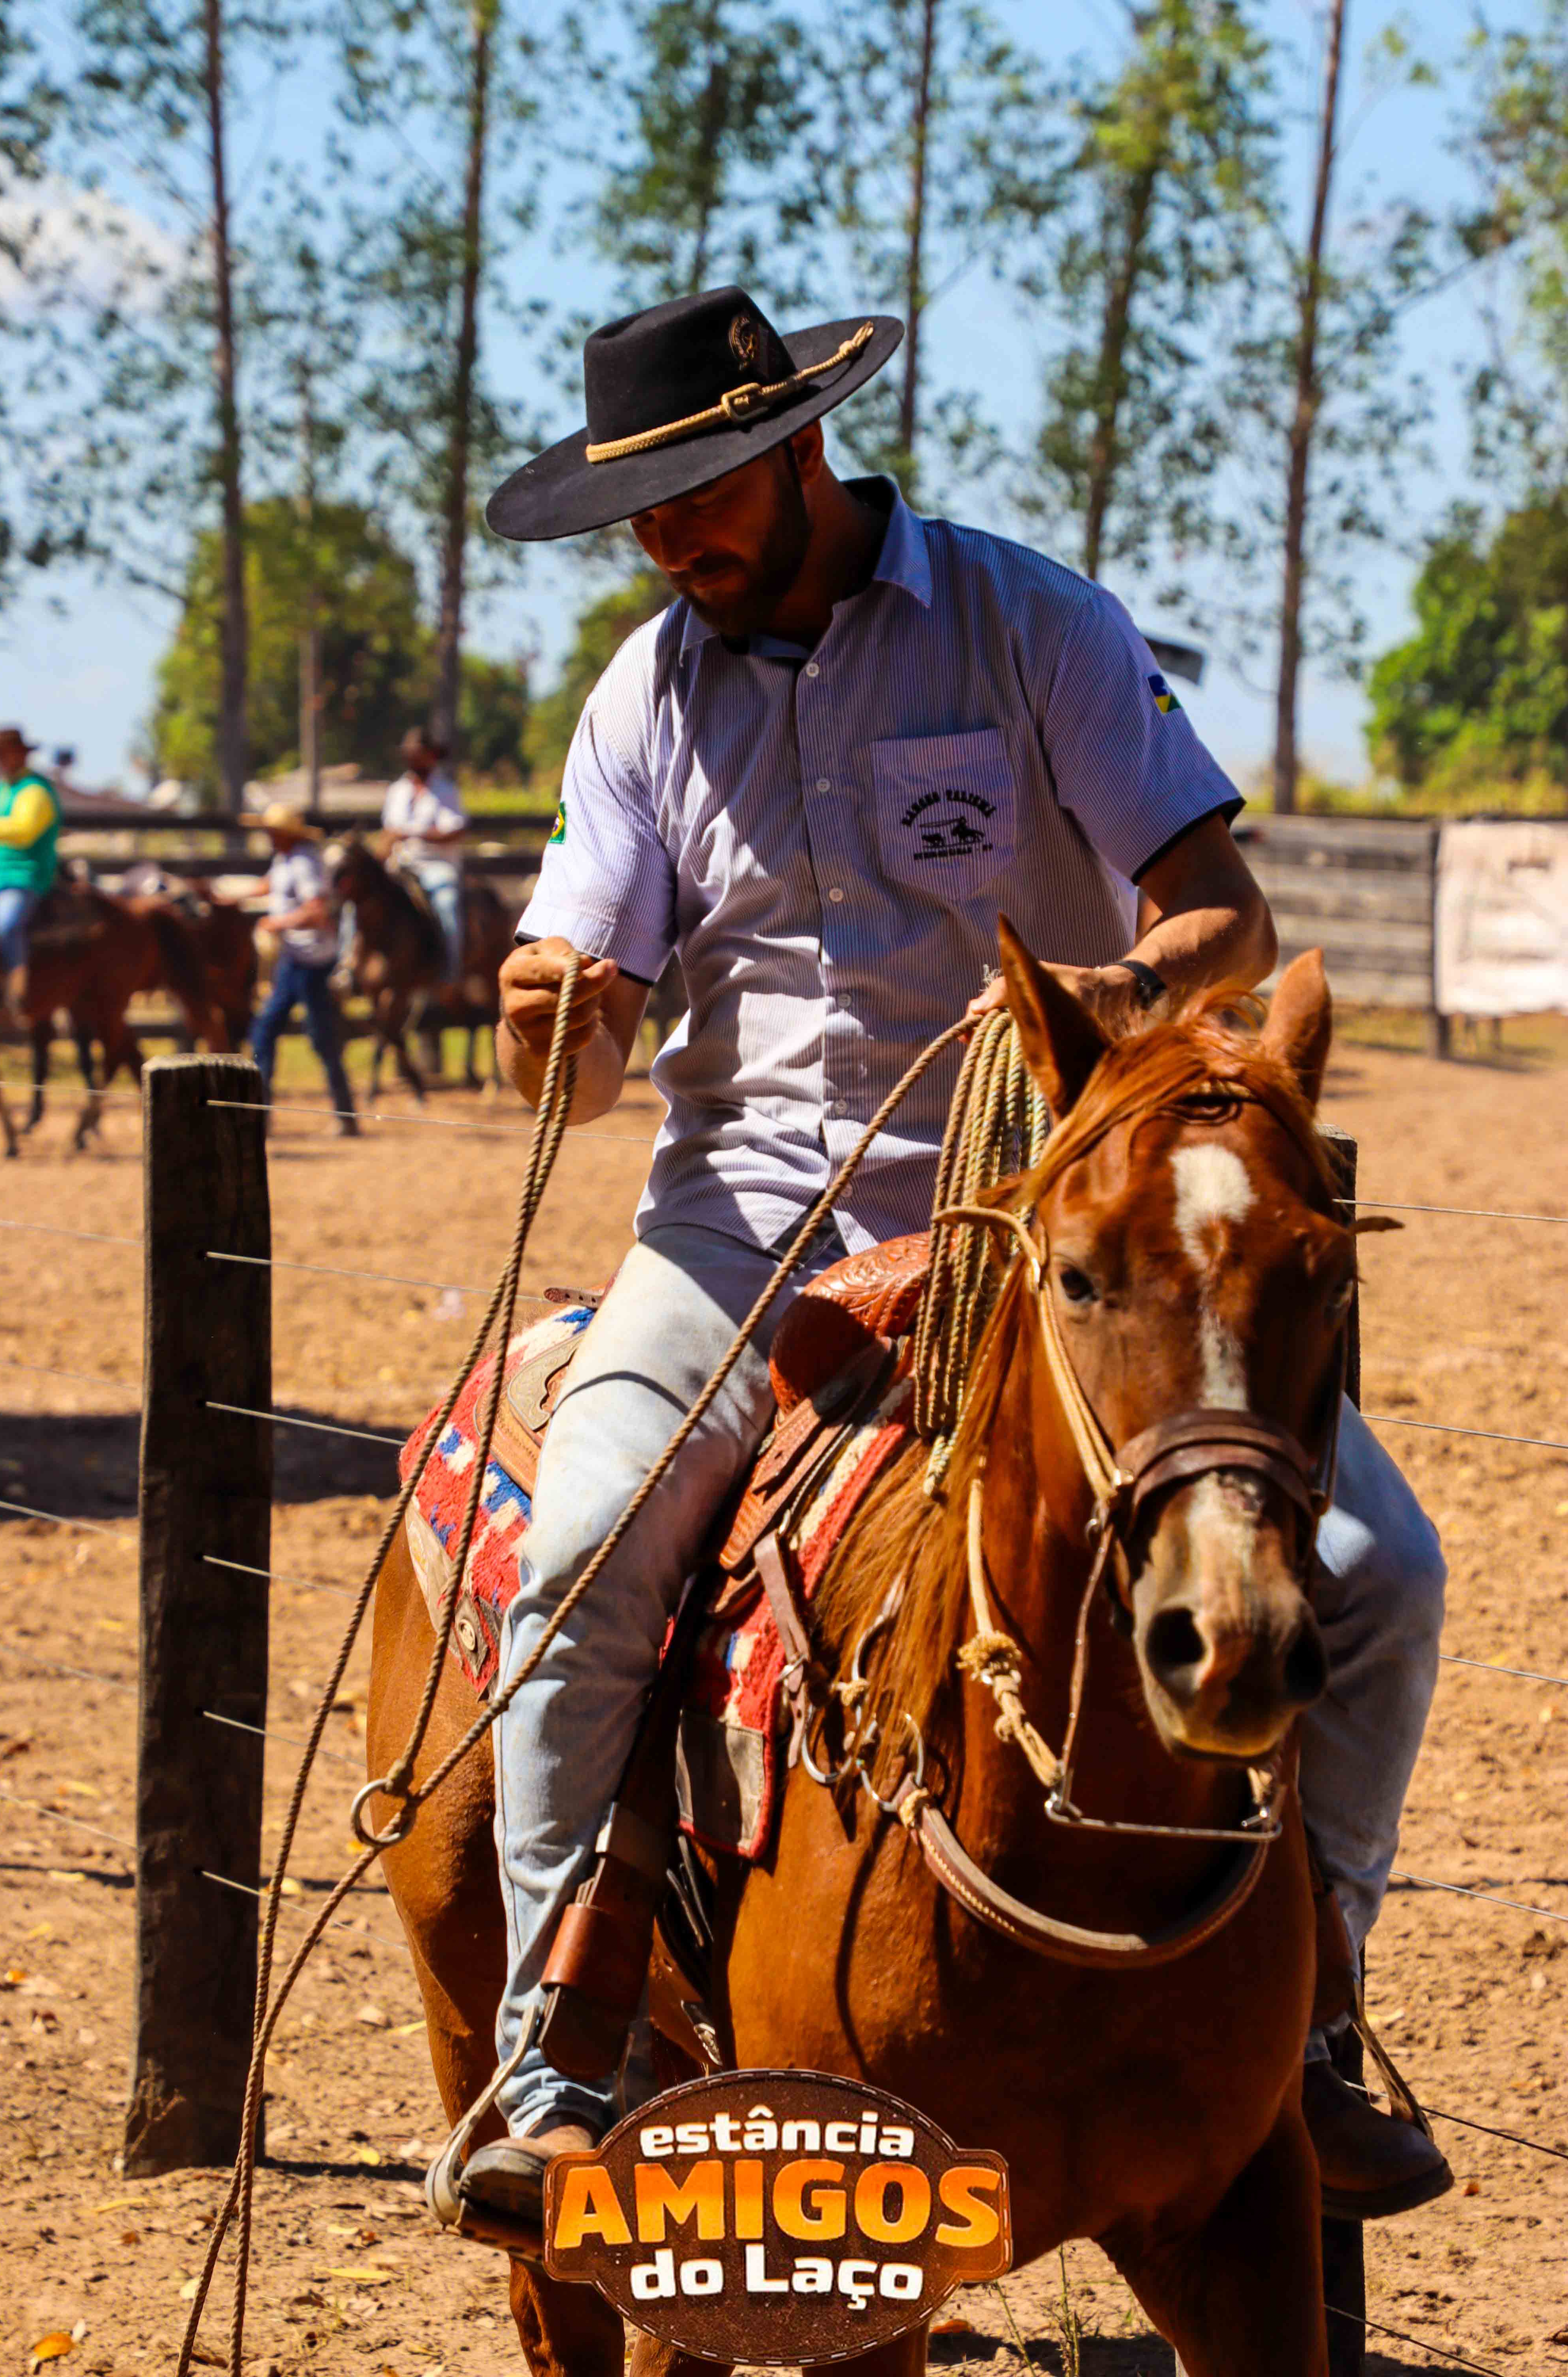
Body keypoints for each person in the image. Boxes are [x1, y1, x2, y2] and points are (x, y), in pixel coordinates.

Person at [452, 288, 1450, 2227]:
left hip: (1047, 1223)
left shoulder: (1031, 625)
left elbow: (1222, 913)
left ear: (797, 447)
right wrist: (549, 1019)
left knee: (1375, 1570)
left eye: (694, 491)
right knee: (578, 1552)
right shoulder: (639, 702)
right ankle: (553, 2047)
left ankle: (1313, 2016)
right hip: (735, 1235)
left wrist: (1115, 990)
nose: (664, 538)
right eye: (638, 510)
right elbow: (580, 1048)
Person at [240, 804, 359, 1136]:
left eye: (271, 831)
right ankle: (266, 1112)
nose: (267, 836)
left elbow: (317, 911)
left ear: (285, 834)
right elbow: (270, 886)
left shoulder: (304, 863)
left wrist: (276, 924)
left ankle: (342, 1113)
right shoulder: (286, 859)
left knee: (315, 1036)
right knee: (269, 1031)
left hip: (312, 961)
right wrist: (228, 897)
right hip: (294, 960)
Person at [0, 726, 62, 1026]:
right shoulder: (3, 788)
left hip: (25, 876)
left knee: (6, 923)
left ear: (21, 754)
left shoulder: (36, 790)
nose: (1, 760)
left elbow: (24, 830)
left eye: (5, 754)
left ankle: (17, 986)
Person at [381, 728, 465, 981]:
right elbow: (388, 832)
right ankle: (348, 965)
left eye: (418, 754)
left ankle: (450, 971)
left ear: (431, 756)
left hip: (435, 865)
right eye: (409, 754)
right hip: (400, 864)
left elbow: (454, 831)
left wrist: (412, 832)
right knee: (361, 900)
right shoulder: (397, 791)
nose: (413, 759)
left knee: (446, 903)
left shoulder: (446, 790)